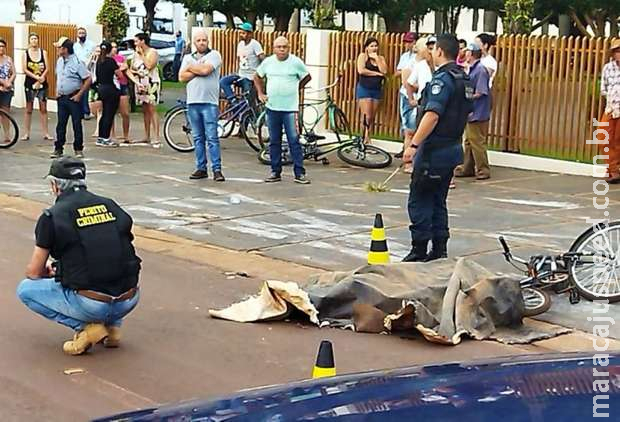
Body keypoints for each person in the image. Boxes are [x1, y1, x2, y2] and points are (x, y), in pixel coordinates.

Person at [17, 157, 141, 355]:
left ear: (55, 185)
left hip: (92, 303)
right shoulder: (111, 205)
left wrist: (49, 270)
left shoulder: (53, 216)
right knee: (111, 265)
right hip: (129, 300)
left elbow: (33, 272)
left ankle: (86, 329)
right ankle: (113, 329)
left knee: (25, 289)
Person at [402, 34, 473, 263]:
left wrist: (413, 145)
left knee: (420, 199)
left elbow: (432, 115)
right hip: (453, 147)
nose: (431, 53)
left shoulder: (442, 80)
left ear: (440, 51)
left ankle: (420, 250)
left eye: (433, 49)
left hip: (435, 150)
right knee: (438, 200)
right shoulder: (463, 78)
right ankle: (440, 249)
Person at [254, 36, 311, 184]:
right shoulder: (268, 62)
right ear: (273, 48)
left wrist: (296, 88)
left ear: (289, 48)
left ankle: (299, 173)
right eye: (278, 47)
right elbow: (257, 76)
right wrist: (260, 93)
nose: (281, 50)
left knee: (293, 140)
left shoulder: (295, 62)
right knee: (274, 140)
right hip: (272, 107)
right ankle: (275, 171)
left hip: (290, 108)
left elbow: (307, 77)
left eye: (284, 47)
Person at [179, 29, 225, 182]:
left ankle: (217, 169)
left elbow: (206, 70)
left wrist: (191, 67)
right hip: (193, 102)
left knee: (212, 137)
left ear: (208, 41)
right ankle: (201, 167)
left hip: (209, 102)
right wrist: (197, 68)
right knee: (198, 137)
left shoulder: (214, 55)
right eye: (198, 40)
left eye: (204, 40)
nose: (201, 43)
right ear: (194, 42)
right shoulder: (187, 57)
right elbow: (181, 77)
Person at [454, 43, 491, 180]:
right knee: (469, 141)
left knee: (477, 142)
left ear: (471, 54)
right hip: (472, 111)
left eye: (467, 51)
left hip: (477, 112)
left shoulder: (480, 70)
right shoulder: (472, 69)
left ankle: (483, 170)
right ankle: (467, 167)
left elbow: (481, 92)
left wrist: (466, 98)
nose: (464, 53)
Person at [51, 37, 91, 159]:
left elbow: (88, 79)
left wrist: (80, 95)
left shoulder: (77, 62)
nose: (57, 50)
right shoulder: (59, 61)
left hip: (74, 97)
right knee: (61, 124)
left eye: (59, 47)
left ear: (65, 49)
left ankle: (78, 148)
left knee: (76, 124)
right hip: (62, 97)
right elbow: (59, 77)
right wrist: (57, 91)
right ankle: (58, 148)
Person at [403, 38, 433, 173]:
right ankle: (410, 163)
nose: (430, 52)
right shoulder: (419, 65)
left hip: (436, 104)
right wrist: (411, 99)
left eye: (433, 48)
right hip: (423, 103)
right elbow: (408, 83)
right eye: (428, 48)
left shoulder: (441, 66)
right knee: (413, 132)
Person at [127, 32, 161, 147]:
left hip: (151, 82)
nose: (135, 43)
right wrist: (136, 73)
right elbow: (131, 68)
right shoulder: (135, 54)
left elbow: (150, 65)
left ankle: (156, 136)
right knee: (145, 108)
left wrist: (142, 55)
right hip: (140, 82)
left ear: (143, 41)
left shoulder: (153, 52)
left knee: (152, 108)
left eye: (136, 41)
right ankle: (146, 135)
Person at [219, 22, 264, 102]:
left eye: (243, 33)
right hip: (240, 75)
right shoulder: (240, 44)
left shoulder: (255, 44)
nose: (240, 34)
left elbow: (262, 58)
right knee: (223, 81)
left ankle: (248, 111)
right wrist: (236, 72)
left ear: (250, 34)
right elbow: (239, 60)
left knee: (247, 100)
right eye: (240, 32)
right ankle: (233, 102)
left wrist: (260, 74)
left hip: (250, 78)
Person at [22, 33, 53, 141]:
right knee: (29, 109)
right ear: (29, 41)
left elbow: (47, 67)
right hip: (30, 84)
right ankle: (26, 133)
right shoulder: (26, 53)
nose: (34, 41)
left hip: (42, 84)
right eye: (32, 39)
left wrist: (42, 77)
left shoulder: (43, 52)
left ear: (38, 40)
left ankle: (46, 133)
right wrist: (35, 77)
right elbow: (24, 69)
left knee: (43, 108)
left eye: (36, 38)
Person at [356, 37, 387, 143]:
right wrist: (376, 73)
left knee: (372, 116)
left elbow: (384, 71)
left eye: (375, 46)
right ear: (367, 47)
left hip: (376, 89)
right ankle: (364, 137)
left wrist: (377, 59)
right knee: (367, 115)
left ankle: (368, 135)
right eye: (372, 46)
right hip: (365, 88)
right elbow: (361, 70)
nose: (374, 48)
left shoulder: (380, 58)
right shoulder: (363, 56)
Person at [94, 41, 123, 148]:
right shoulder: (111, 61)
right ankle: (105, 137)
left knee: (104, 113)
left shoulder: (99, 61)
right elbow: (119, 74)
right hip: (111, 88)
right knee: (109, 114)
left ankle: (101, 137)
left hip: (101, 88)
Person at [394, 32, 417, 159]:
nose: (408, 44)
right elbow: (397, 72)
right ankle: (405, 147)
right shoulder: (404, 56)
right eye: (406, 42)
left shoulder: (419, 58)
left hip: (415, 92)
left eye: (410, 42)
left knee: (413, 124)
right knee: (405, 121)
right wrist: (405, 72)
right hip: (404, 91)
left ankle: (409, 150)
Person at [602, 39, 620, 183]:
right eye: (617, 51)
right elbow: (604, 88)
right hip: (611, 107)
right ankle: (612, 169)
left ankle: (614, 171)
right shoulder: (608, 68)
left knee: (618, 140)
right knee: (604, 138)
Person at [110, 41, 131, 142]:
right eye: (112, 47)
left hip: (122, 84)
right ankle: (112, 134)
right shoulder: (108, 59)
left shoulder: (121, 58)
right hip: (112, 85)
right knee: (111, 111)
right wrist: (119, 68)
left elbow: (125, 67)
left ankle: (126, 135)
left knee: (125, 112)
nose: (114, 49)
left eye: (115, 47)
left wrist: (120, 67)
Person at [74, 27, 95, 119]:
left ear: (86, 34)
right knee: (78, 90)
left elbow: (94, 56)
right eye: (80, 33)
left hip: (88, 70)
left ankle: (86, 112)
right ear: (77, 35)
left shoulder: (91, 44)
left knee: (85, 90)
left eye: (83, 33)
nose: (81, 35)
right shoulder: (75, 46)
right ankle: (79, 112)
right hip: (78, 70)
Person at [0, 37, 15, 144]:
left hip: (7, 89)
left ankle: (7, 135)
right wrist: (3, 82)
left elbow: (14, 72)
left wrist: (9, 82)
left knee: (5, 112)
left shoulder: (9, 59)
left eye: (3, 46)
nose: (1, 48)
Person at [87, 46, 102, 138]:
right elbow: (86, 68)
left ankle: (98, 129)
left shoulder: (103, 61)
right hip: (92, 85)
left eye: (99, 51)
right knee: (92, 107)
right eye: (96, 51)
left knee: (100, 108)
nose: (98, 53)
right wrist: (91, 59)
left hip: (99, 84)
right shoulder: (92, 61)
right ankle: (98, 122)